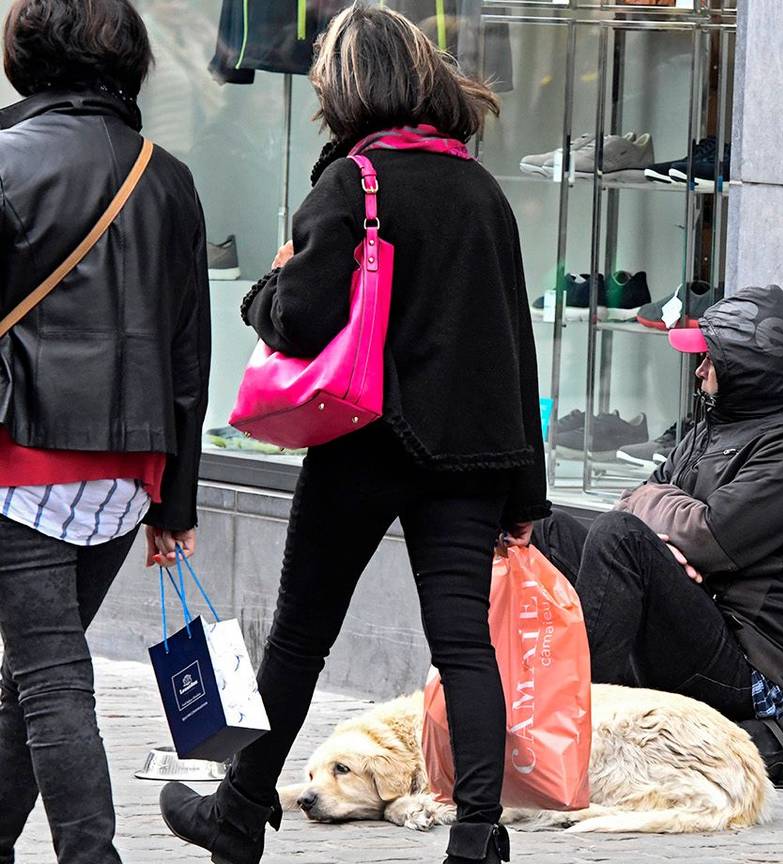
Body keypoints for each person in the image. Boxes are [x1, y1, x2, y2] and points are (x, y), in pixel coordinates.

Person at [156, 7, 547, 864]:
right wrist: (527, 493)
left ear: (347, 88)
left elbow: (298, 319)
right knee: (464, 646)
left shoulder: (354, 182)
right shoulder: (481, 190)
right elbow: (515, 347)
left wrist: (265, 288)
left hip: (365, 444)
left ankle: (238, 813)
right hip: (472, 458)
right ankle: (477, 835)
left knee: (301, 636)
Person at [0, 0, 211, 861]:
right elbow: (190, 353)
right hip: (128, 472)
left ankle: (93, 855)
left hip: (22, 457)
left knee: (48, 679)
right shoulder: (169, 176)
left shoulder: (7, 160)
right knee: (30, 675)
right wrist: (174, 501)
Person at [527, 285, 783, 732]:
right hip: (686, 622)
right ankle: (533, 694)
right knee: (547, 528)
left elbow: (707, 538)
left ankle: (579, 726)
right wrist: (669, 536)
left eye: (711, 360)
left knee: (620, 538)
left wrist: (665, 528)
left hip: (742, 671)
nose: (699, 370)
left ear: (745, 369)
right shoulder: (714, 427)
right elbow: (636, 500)